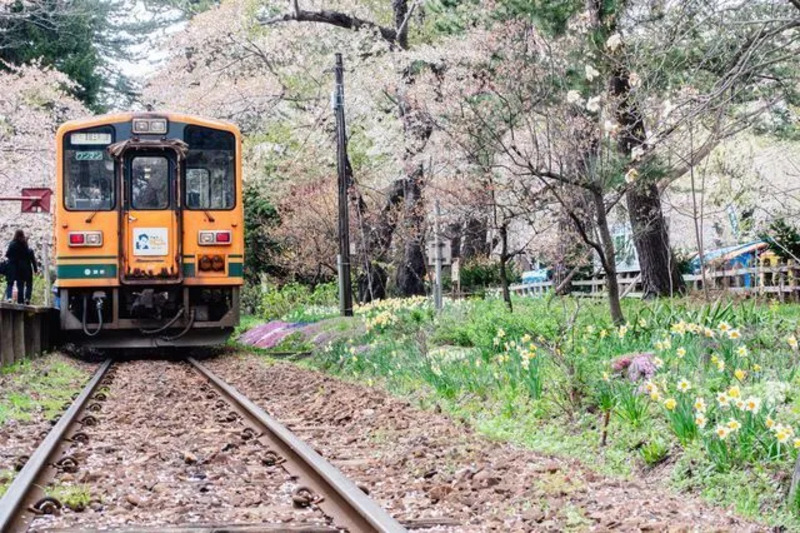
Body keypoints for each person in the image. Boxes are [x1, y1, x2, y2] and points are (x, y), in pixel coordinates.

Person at [5, 230, 37, 304]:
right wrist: (35, 269)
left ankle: (20, 301)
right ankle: (27, 298)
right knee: (29, 284)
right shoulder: (27, 248)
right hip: (27, 268)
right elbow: (33, 260)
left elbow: (7, 254)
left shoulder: (12, 244)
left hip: (18, 268)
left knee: (20, 285)